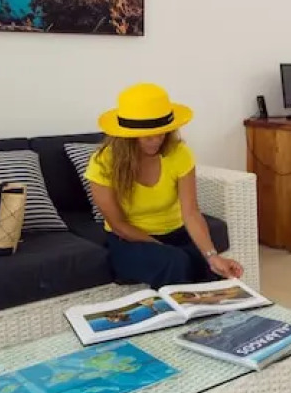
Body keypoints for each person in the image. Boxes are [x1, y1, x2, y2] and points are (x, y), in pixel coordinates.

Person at [86, 83, 244, 288]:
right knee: (174, 262)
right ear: (127, 137)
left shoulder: (179, 153)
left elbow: (191, 213)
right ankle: (181, 316)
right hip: (130, 240)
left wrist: (212, 256)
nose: (157, 141)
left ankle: (225, 317)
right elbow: (119, 226)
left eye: (162, 133)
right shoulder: (103, 163)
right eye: (148, 136)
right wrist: (165, 249)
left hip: (176, 232)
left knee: (210, 269)